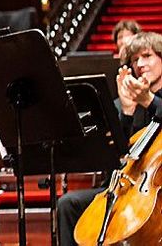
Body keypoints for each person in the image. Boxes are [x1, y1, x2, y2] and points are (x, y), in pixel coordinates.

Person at [57, 30, 162, 246]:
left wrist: (150, 100)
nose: (140, 64)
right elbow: (118, 155)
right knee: (68, 204)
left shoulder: (150, 99)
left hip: (156, 190)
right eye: (134, 60)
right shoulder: (132, 101)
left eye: (147, 55)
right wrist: (126, 112)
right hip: (126, 187)